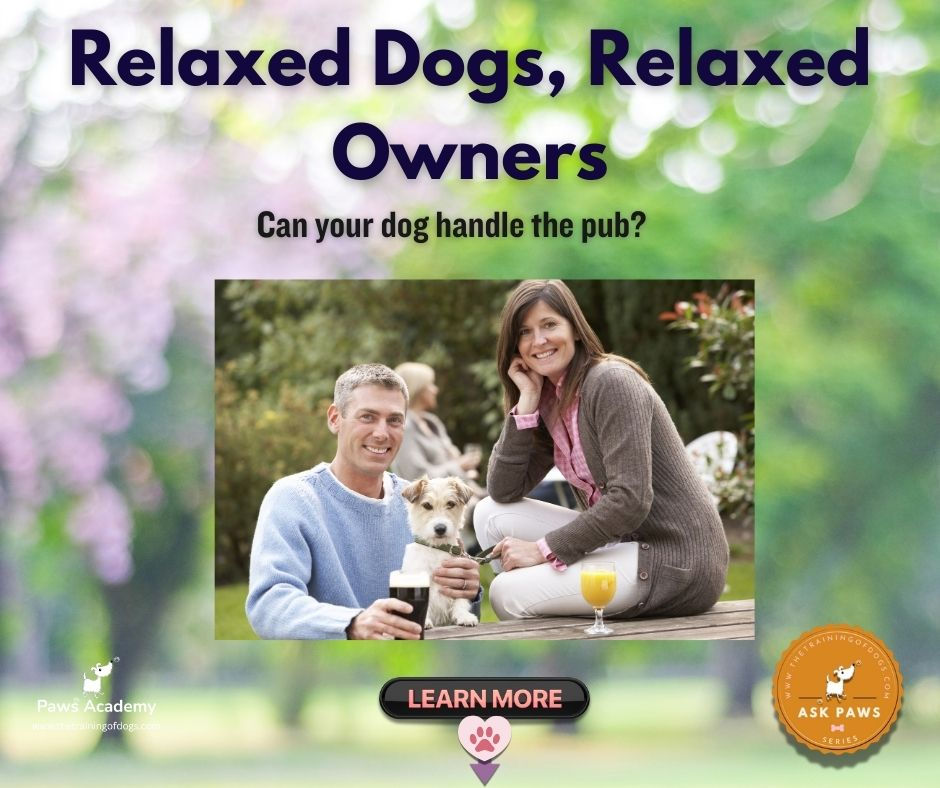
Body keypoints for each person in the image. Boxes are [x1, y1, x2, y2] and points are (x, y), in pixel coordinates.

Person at [475, 280, 728, 621]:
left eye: (549, 325)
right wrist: (527, 404)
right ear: (515, 345)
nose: (539, 341)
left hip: (674, 559)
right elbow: (503, 489)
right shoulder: (549, 399)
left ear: (575, 329)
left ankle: (548, 615)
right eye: (524, 332)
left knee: (507, 593)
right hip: (621, 542)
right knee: (489, 513)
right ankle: (548, 594)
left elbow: (630, 499)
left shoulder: (611, 383)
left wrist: (541, 551)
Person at [246, 364, 481, 640]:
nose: (382, 433)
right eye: (367, 417)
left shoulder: (420, 503)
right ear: (335, 418)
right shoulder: (293, 498)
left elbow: (457, 615)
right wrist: (352, 624)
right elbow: (269, 604)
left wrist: (467, 590)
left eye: (394, 420)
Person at [391, 362, 484, 495]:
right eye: (430, 384)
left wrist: (462, 469)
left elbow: (453, 458)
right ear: (418, 389)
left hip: (458, 496)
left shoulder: (432, 422)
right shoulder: (405, 427)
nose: (435, 390)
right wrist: (459, 466)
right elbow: (416, 477)